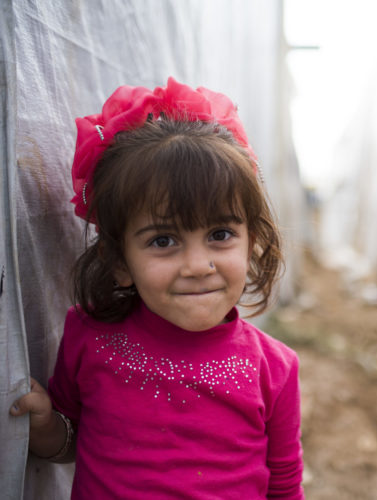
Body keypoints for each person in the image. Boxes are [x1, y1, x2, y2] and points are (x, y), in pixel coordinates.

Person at [9, 78, 304, 499]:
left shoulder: (274, 368)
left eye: (220, 234)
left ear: (252, 241)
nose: (198, 266)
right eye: (163, 241)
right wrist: (45, 427)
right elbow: (72, 442)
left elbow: (285, 482)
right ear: (119, 262)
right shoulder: (89, 338)